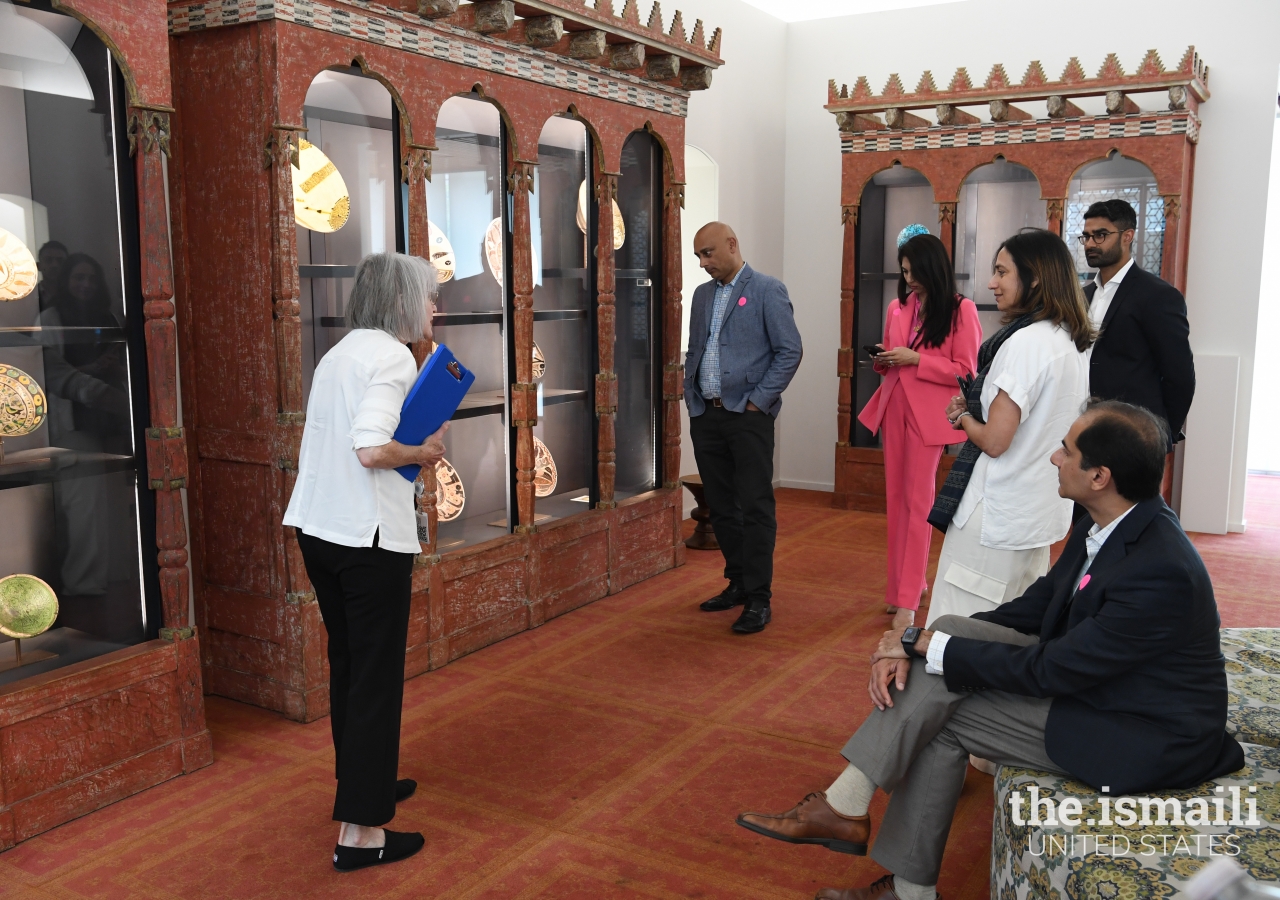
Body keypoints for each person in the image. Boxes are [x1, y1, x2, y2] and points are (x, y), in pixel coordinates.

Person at [735, 401, 1243, 900]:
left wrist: (924, 646)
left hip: (1140, 733)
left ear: (1099, 476)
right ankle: (851, 816)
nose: (1052, 458)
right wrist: (923, 643)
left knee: (942, 710)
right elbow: (1036, 607)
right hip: (1105, 688)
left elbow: (1053, 670)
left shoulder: (1159, 570)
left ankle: (860, 825)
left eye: (1066, 450)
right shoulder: (1111, 520)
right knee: (953, 631)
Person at [283, 252, 448, 871]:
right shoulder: (390, 358)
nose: (435, 307)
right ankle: (361, 835)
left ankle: (365, 784)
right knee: (374, 677)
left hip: (320, 529)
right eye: (429, 297)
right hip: (367, 538)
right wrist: (425, 450)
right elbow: (371, 449)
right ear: (402, 299)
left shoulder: (343, 350)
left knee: (351, 667)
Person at [925, 229, 1092, 627]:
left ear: (1034, 279)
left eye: (1002, 272)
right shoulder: (1067, 340)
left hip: (997, 514)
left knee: (959, 628)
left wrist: (963, 416)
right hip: (1036, 512)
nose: (991, 283)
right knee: (1010, 630)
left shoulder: (1026, 343)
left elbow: (996, 441)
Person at [858, 232, 980, 629]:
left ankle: (909, 597)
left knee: (918, 504)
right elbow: (895, 362)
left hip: (929, 416)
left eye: (913, 271)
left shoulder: (962, 310)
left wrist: (916, 359)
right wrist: (885, 359)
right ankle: (901, 589)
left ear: (931, 267)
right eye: (904, 271)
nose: (908, 279)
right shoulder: (898, 306)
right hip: (894, 407)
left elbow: (966, 370)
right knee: (896, 501)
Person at [685, 222, 802, 635]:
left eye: (709, 253)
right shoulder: (701, 296)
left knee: (754, 506)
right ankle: (737, 582)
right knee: (721, 506)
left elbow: (790, 351)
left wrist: (758, 402)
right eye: (698, 255)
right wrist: (691, 395)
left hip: (747, 416)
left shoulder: (768, 289)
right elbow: (697, 349)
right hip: (707, 415)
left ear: (733, 244)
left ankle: (758, 598)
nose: (703, 263)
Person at [38, 253, 131, 604]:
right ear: (66, 282)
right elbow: (51, 373)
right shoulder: (49, 319)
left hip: (113, 424)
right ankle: (84, 587)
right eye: (79, 278)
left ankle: (117, 577)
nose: (85, 285)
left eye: (91, 278)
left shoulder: (108, 316)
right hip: (72, 426)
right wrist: (98, 384)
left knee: (116, 506)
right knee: (84, 508)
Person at [1079, 199, 1194, 444]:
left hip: (1134, 434)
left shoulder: (1158, 296)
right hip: (1084, 426)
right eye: (1086, 236)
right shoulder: (1083, 295)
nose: (1090, 244)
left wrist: (1162, 436)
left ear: (1127, 236)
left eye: (1100, 235)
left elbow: (1179, 375)